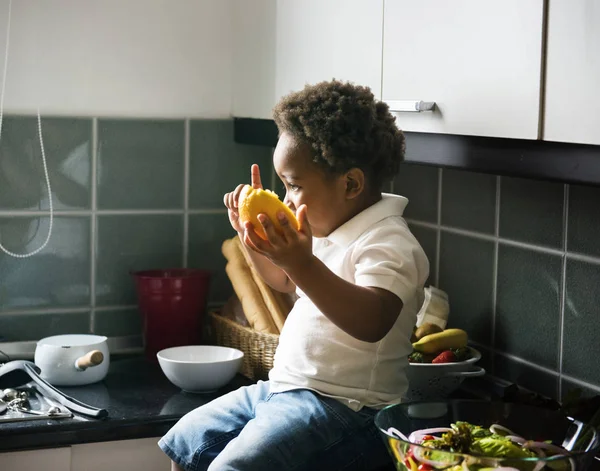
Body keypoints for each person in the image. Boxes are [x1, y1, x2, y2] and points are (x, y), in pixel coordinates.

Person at [158, 80, 430, 471]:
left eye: (294, 185)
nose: (285, 199)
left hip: (347, 409)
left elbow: (373, 320)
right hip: (281, 388)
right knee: (185, 438)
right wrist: (253, 241)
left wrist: (301, 262)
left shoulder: (388, 242)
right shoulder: (325, 228)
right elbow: (285, 282)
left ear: (351, 183)